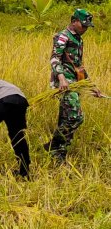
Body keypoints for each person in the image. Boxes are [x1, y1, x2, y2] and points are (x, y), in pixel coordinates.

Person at [44, 8, 101, 162]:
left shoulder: (78, 38)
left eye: (87, 27)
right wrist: (62, 78)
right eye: (83, 25)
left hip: (75, 82)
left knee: (65, 118)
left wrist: (91, 86)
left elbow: (79, 66)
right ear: (74, 21)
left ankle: (59, 153)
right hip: (64, 82)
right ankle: (54, 145)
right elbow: (54, 59)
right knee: (76, 117)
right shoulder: (62, 37)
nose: (85, 29)